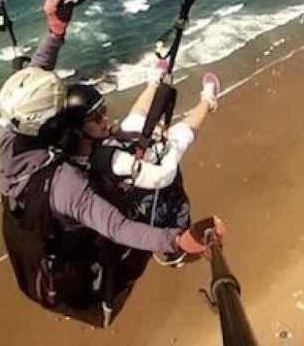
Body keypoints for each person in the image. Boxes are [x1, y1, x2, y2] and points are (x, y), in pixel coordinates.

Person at [0, 0, 224, 320]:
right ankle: (207, 102)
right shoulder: (64, 184)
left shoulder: (16, 134)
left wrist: (55, 31)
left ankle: (185, 96)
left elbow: (37, 77)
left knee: (138, 131)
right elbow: (117, 226)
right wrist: (176, 241)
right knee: (155, 172)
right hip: (76, 256)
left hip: (51, 218)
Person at [89, 64, 221, 266]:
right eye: (97, 118)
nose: (104, 119)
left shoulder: (91, 142)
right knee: (181, 135)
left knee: (134, 120)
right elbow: (163, 176)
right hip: (145, 193)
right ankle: (208, 101)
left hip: (126, 162)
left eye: (103, 112)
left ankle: (154, 82)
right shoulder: (110, 159)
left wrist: (124, 134)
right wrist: (167, 145)